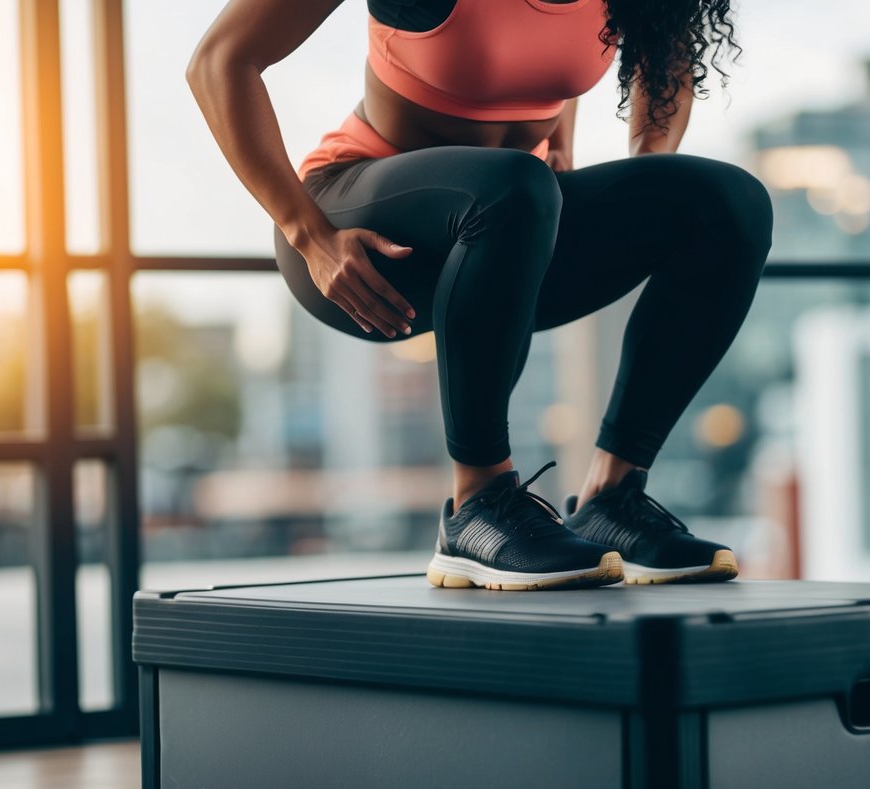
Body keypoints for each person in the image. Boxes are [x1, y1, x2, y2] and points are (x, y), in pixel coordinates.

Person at [186, 0, 773, 590]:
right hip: (355, 232)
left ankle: (612, 497)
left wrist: (648, 184)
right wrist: (309, 234)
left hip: (512, 229)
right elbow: (219, 62)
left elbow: (665, 60)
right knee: (516, 185)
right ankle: (477, 505)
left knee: (728, 203)